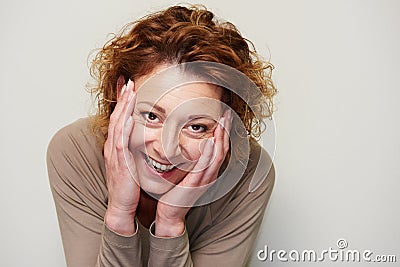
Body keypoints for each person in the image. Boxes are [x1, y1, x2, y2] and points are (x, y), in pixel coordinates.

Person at [47, 4, 277, 267]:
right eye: (152, 117)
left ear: (228, 121)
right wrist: (120, 216)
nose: (167, 149)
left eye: (197, 126)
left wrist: (170, 225)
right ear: (123, 94)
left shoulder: (248, 175)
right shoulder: (74, 152)